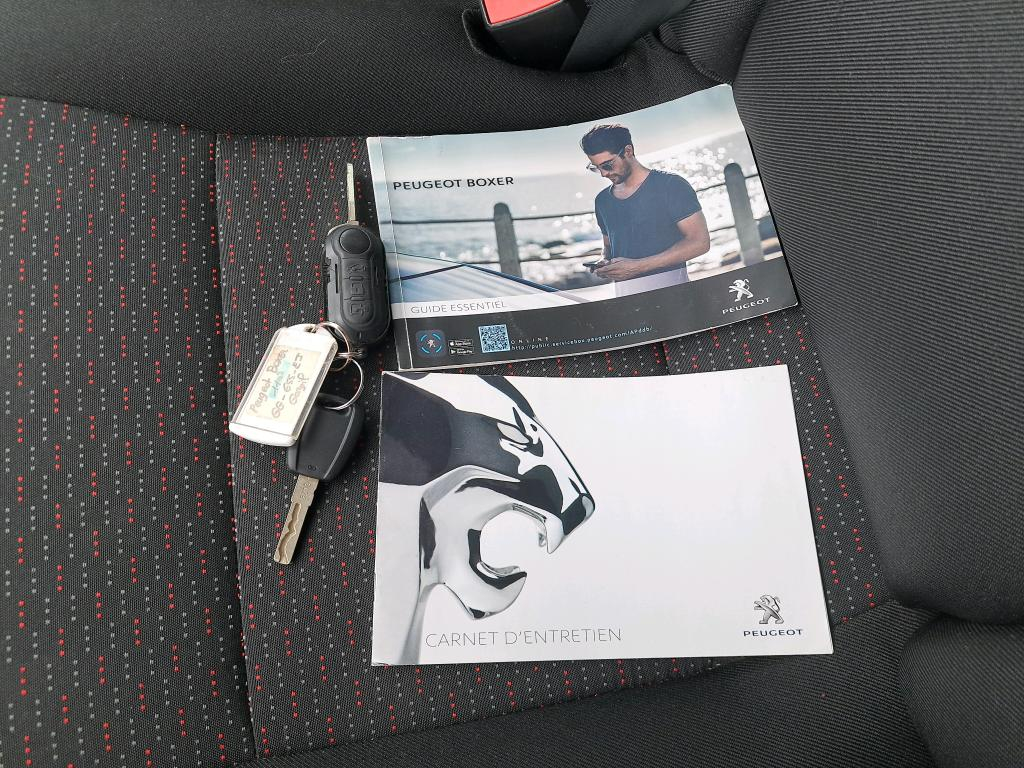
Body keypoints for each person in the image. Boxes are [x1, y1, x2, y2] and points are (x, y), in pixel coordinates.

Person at [581, 124, 711, 296]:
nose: (603, 174)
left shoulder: (671, 185)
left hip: (675, 298)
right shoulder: (602, 201)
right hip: (627, 301)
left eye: (607, 165)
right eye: (596, 168)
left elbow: (700, 242)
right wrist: (605, 262)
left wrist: (637, 267)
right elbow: (608, 246)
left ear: (628, 151)